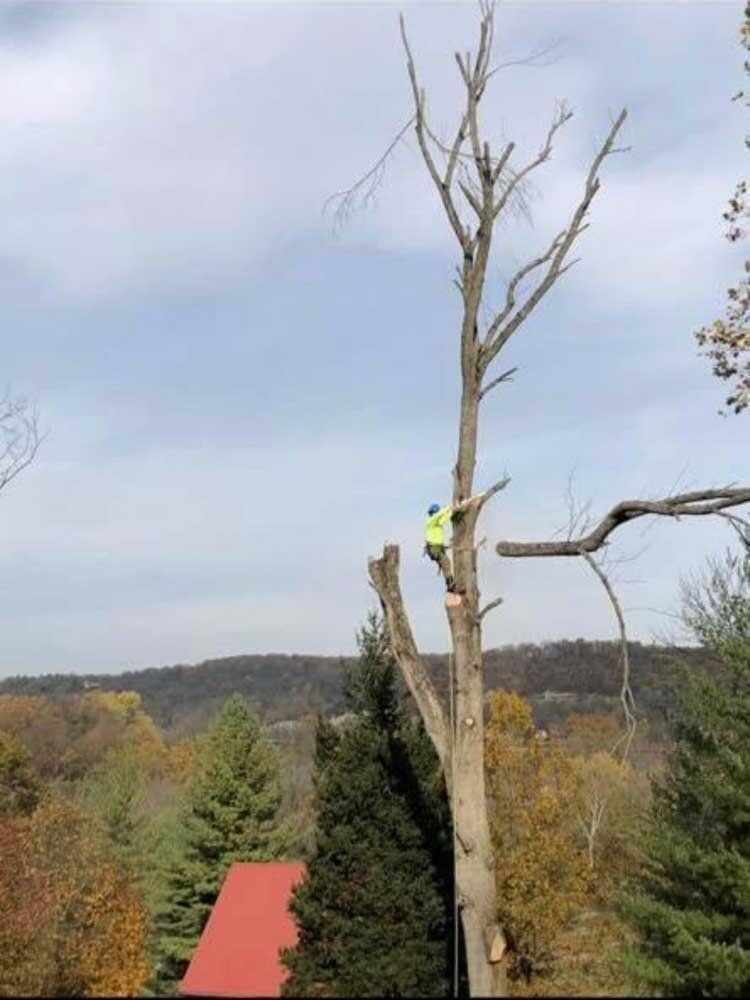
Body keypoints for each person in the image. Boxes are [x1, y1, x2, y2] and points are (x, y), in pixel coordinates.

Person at [424, 502, 457, 591]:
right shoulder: (430, 521)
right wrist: (449, 507)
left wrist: (453, 511)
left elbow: (444, 518)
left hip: (438, 548)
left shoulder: (438, 523)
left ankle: (450, 583)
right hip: (433, 548)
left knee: (446, 562)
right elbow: (438, 515)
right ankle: (450, 582)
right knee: (445, 562)